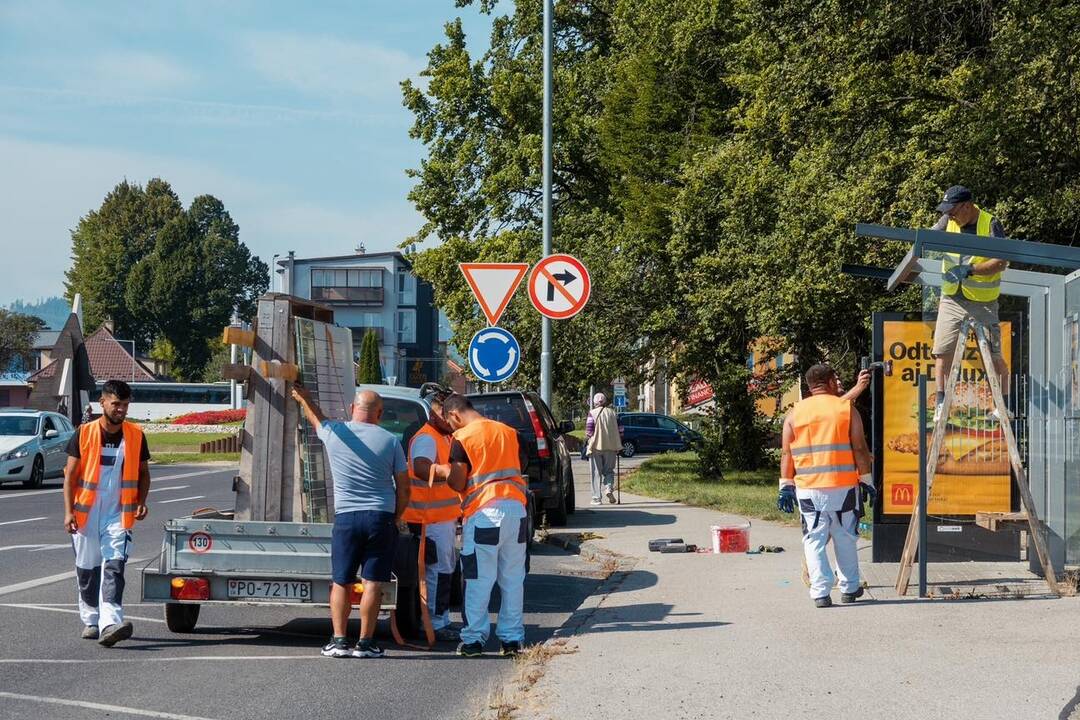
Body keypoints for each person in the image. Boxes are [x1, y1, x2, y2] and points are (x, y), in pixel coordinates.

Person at [291, 386, 409, 659]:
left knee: (341, 581)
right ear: (379, 414)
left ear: (353, 409)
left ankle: (340, 641)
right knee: (373, 584)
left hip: (346, 517)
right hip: (380, 516)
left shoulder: (335, 433)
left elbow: (316, 418)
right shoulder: (391, 441)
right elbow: (404, 488)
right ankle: (366, 644)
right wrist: (396, 516)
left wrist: (304, 397)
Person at [431, 394, 529, 657]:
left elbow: (458, 481)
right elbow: (522, 465)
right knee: (512, 578)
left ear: (454, 415)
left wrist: (443, 472)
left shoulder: (463, 438)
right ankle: (512, 640)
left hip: (485, 513)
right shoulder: (508, 432)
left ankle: (474, 640)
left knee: (478, 579)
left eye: (450, 424)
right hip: (516, 511)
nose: (452, 428)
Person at [63, 379, 151, 646]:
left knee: (114, 565)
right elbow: (70, 476)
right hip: (85, 514)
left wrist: (141, 501)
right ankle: (91, 619)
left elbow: (144, 474)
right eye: (116, 404)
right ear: (102, 403)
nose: (121, 410)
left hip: (118, 513)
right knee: (87, 569)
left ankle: (111, 622)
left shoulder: (135, 435)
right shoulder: (84, 433)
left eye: (125, 405)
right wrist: (68, 513)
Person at [777, 364, 874, 608]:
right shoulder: (845, 409)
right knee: (845, 537)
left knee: (813, 539)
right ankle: (850, 588)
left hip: (808, 489)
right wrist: (867, 480)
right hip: (842, 487)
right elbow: (860, 448)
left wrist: (785, 485)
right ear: (830, 381)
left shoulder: (794, 413)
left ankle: (820, 593)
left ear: (810, 386)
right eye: (836, 379)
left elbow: (786, 453)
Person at [930, 185, 1010, 421]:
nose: (949, 215)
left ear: (967, 205)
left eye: (953, 210)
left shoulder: (990, 223)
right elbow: (928, 238)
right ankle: (942, 402)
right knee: (942, 351)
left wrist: (971, 270)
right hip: (952, 297)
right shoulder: (948, 220)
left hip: (984, 302)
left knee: (994, 355)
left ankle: (1003, 405)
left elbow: (1001, 261)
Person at [401, 386, 461, 642]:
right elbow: (422, 468)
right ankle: (435, 624)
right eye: (450, 416)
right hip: (429, 521)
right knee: (436, 572)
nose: (454, 421)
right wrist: (451, 471)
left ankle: (442, 619)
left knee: (445, 569)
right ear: (438, 413)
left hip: (441, 519)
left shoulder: (444, 437)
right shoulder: (427, 438)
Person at [584, 392, 622, 505]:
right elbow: (621, 430)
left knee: (596, 473)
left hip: (596, 447)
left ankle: (596, 498)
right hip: (611, 447)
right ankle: (609, 489)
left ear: (594, 403)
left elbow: (589, 431)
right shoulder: (613, 413)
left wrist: (587, 439)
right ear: (605, 402)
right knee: (609, 471)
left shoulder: (592, 413)